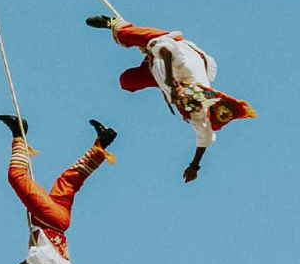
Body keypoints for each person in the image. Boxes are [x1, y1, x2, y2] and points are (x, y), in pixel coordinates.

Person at [0, 115, 116, 264]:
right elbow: (42, 258)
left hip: (59, 221)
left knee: (69, 181)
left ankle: (102, 143)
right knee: (16, 178)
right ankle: (20, 134)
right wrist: (25, 261)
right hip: (47, 220)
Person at [87, 14, 255, 183]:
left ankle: (150, 59)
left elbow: (205, 138)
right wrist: (170, 79)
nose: (182, 103)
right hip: (165, 44)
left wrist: (194, 166)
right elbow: (167, 50)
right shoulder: (185, 67)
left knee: (126, 81)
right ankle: (114, 23)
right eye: (183, 99)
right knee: (125, 34)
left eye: (185, 105)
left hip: (156, 70)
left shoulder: (199, 113)